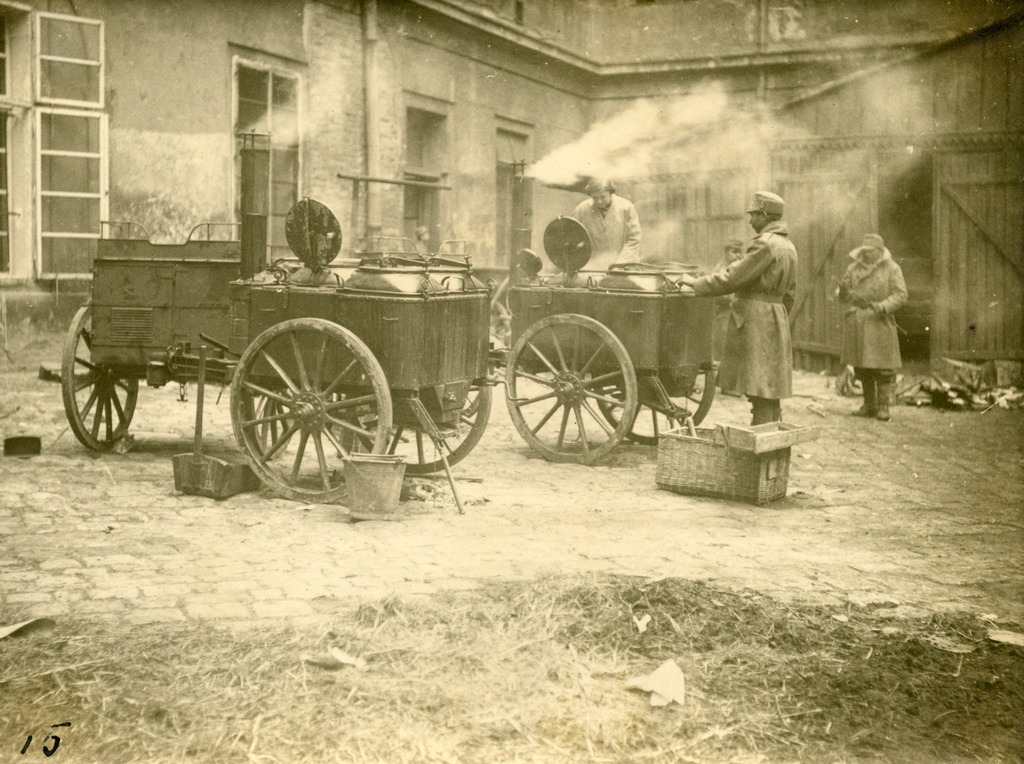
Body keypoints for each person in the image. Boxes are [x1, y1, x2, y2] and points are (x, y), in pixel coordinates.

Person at [678, 191, 797, 425]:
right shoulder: (788, 246)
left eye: (753, 215)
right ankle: (769, 435)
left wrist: (695, 283)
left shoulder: (765, 244)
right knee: (768, 385)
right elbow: (790, 294)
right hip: (776, 318)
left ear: (764, 215)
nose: (750, 220)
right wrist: (778, 319)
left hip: (755, 320)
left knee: (758, 384)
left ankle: (761, 436)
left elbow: (733, 278)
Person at [836, 233, 907, 422]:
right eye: (864, 251)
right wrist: (842, 292)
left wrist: (883, 306)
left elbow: (901, 295)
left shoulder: (892, 269)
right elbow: (843, 296)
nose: (866, 255)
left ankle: (884, 407)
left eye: (870, 252)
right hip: (858, 322)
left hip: (879, 322)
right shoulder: (853, 269)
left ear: (880, 251)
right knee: (862, 366)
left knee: (883, 367)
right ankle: (869, 405)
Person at [570, 178, 641, 270]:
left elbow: (634, 239)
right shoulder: (581, 209)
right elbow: (571, 235)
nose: (599, 201)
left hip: (622, 265)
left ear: (610, 193)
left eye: (603, 197)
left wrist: (620, 264)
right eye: (595, 198)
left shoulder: (626, 207)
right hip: (592, 266)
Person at [711, 238, 744, 363]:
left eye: (740, 252)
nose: (738, 256)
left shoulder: (737, 267)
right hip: (723, 314)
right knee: (722, 349)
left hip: (735, 314)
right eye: (734, 252)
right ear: (726, 252)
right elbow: (720, 293)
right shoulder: (720, 269)